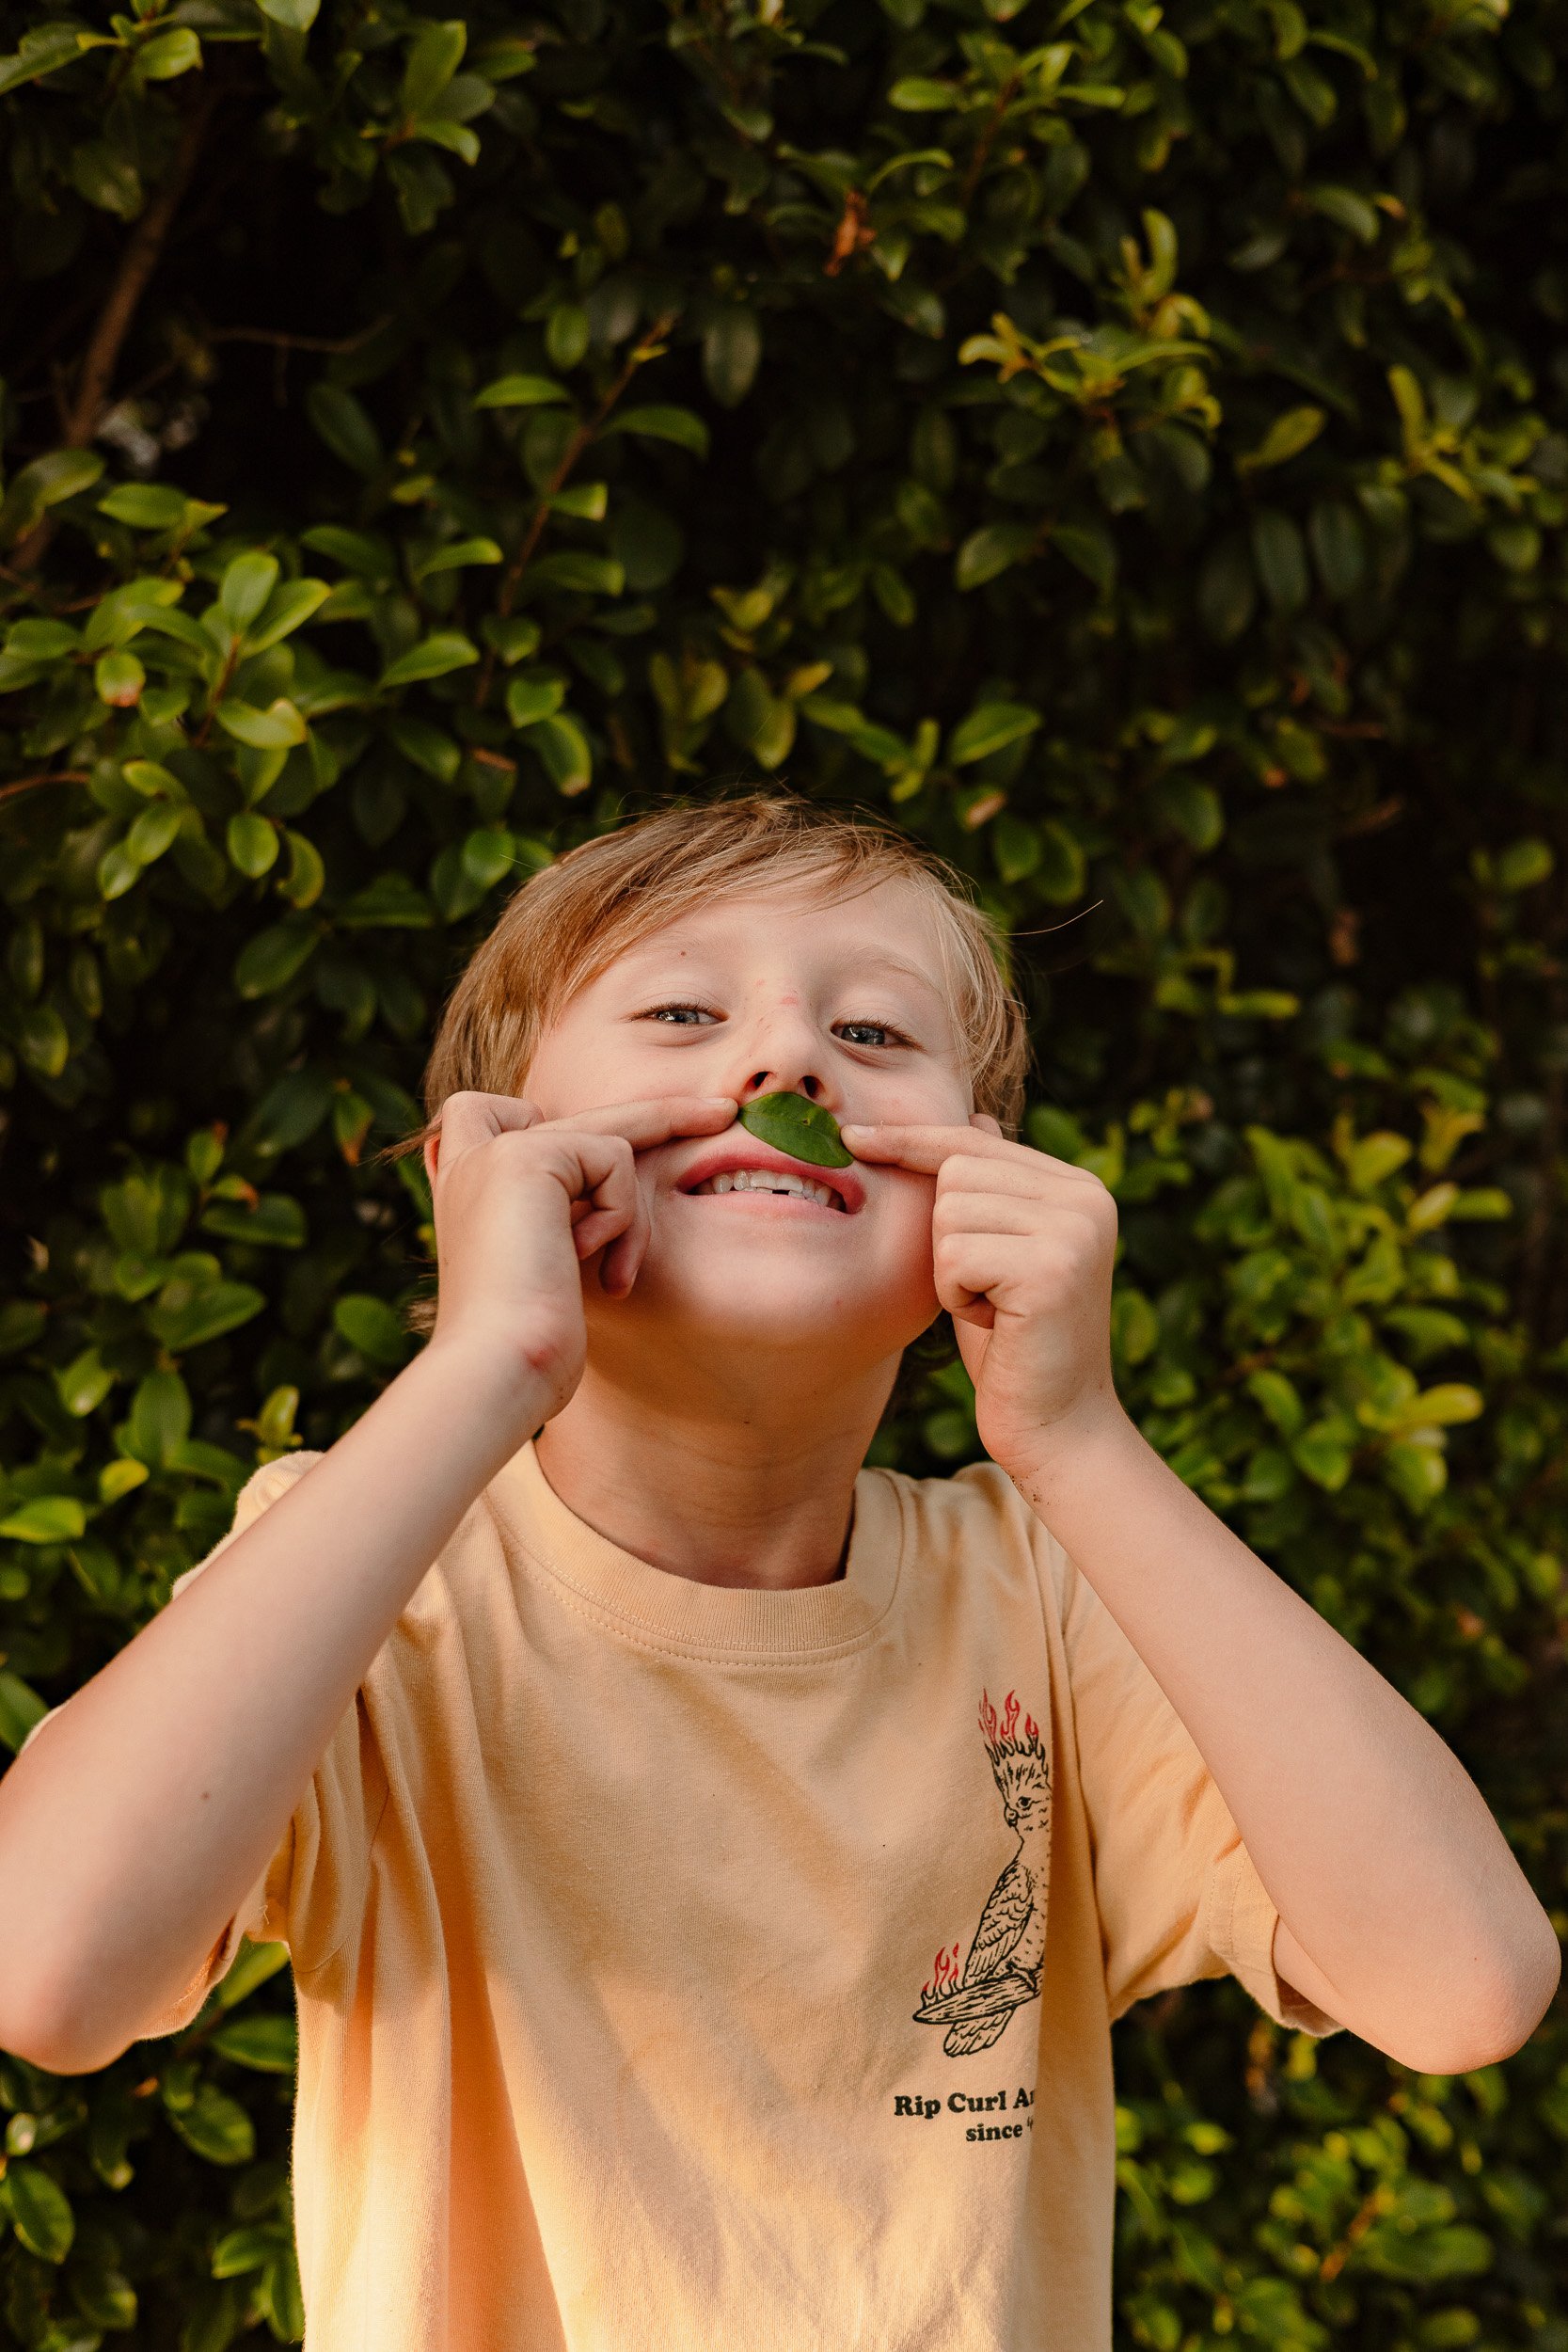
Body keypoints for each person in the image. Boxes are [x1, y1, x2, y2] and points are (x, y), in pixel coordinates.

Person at [0, 794, 1556, 2352]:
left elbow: (1465, 1986)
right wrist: (490, 1360)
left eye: (876, 1035)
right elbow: (45, 1968)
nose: (788, 1065)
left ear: (978, 1190)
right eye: (682, 1010)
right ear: (491, 1160)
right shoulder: (373, 1582)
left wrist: (1080, 1441)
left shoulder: (1048, 1599)